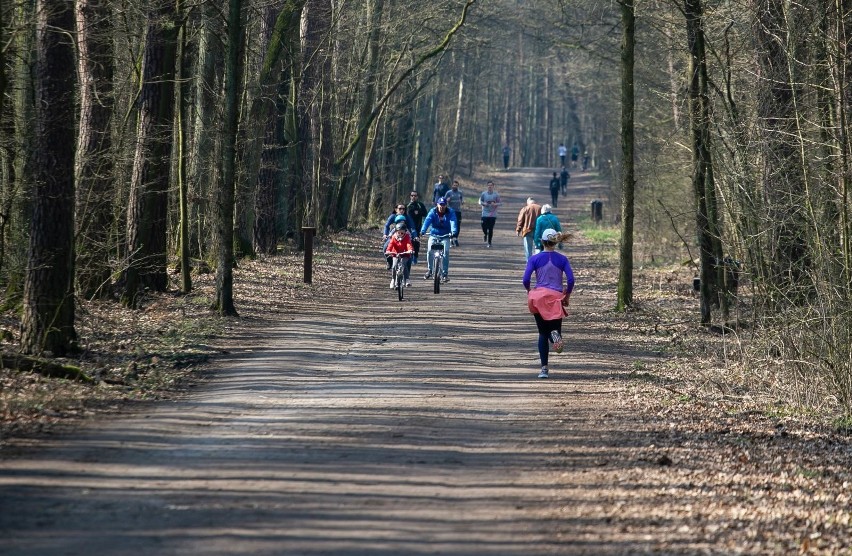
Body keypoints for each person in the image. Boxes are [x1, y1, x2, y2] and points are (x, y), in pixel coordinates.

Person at [523, 228, 575, 379]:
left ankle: (544, 369)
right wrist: (567, 295)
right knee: (555, 331)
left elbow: (526, 279)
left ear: (542, 241)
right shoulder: (562, 259)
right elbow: (571, 280)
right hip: (555, 299)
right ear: (556, 242)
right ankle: (555, 337)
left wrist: (529, 290)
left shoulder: (534, 259)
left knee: (542, 333)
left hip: (538, 299)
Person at [420, 197, 458, 282]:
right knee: (430, 250)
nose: (442, 207)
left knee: (446, 252)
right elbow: (427, 220)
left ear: (446, 205)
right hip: (433, 234)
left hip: (445, 235)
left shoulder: (450, 212)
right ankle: (429, 270)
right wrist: (423, 231)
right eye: (440, 205)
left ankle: (445, 274)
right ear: (437, 204)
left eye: (443, 205)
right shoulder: (433, 211)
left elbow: (453, 221)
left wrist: (453, 231)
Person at [383, 204, 417, 269]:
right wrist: (385, 234)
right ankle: (389, 261)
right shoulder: (392, 216)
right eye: (400, 209)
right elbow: (386, 226)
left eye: (403, 209)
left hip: (405, 237)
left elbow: (412, 228)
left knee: (411, 250)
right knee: (385, 247)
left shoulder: (407, 217)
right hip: (393, 237)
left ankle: (407, 271)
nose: (402, 210)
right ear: (396, 209)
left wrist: (415, 236)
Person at [385, 222, 415, 287]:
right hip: (395, 254)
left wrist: (410, 250)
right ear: (396, 232)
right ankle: (393, 280)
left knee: (404, 264)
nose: (400, 234)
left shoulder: (407, 237)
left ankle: (407, 279)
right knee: (394, 266)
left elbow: (408, 244)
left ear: (405, 232)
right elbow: (391, 244)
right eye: (399, 232)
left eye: (402, 233)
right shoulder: (393, 237)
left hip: (405, 254)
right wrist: (388, 251)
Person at [478, 181, 502, 248]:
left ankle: (489, 242)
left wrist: (495, 204)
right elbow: (479, 201)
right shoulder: (484, 194)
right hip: (484, 213)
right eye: (488, 185)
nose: (489, 186)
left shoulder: (496, 194)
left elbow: (500, 203)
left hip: (492, 214)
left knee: (491, 228)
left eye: (491, 185)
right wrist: (483, 203)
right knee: (483, 226)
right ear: (487, 186)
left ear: (493, 186)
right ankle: (485, 234)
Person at [406, 191, 428, 264]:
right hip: (408, 227)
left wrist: (419, 212)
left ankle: (415, 257)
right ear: (410, 196)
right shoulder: (407, 205)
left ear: (417, 197)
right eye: (412, 195)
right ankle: (408, 256)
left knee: (416, 242)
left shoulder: (420, 205)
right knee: (408, 241)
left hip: (417, 227)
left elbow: (425, 214)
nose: (413, 197)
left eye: (415, 196)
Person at [445, 180, 464, 246]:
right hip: (450, 211)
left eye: (456, 185)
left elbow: (462, 200)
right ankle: (450, 239)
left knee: (458, 225)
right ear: (452, 186)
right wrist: (447, 200)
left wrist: (462, 202)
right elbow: (444, 201)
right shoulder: (448, 193)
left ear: (458, 186)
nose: (455, 186)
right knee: (451, 225)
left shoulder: (460, 193)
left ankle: (455, 238)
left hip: (458, 211)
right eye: (454, 185)